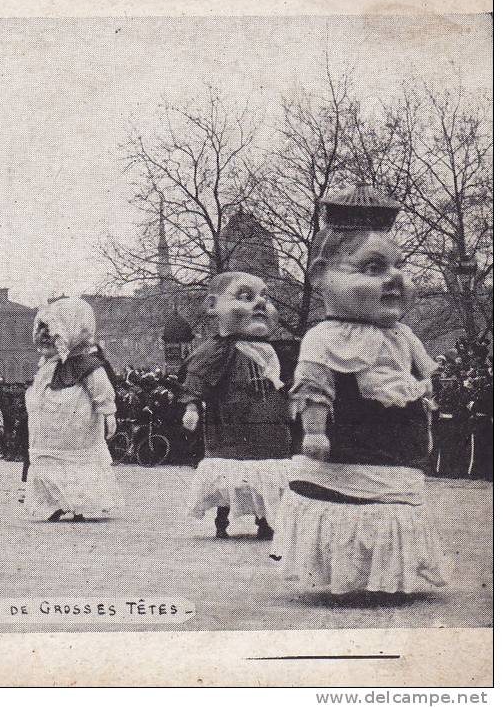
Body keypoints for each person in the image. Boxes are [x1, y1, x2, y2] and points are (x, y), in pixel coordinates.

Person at [274, 184, 449, 595]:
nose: (394, 280)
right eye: (372, 269)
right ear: (321, 277)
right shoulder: (324, 337)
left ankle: (384, 572)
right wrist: (315, 430)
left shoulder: (402, 335)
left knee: (391, 505)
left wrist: (425, 404)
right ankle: (345, 574)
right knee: (350, 508)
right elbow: (314, 386)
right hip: (347, 449)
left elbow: (419, 380)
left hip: (394, 450)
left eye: (397, 268)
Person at [179, 271, 292, 540]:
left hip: (270, 430)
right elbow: (196, 378)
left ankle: (265, 521)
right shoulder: (215, 351)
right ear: (212, 306)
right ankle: (222, 520)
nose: (261, 304)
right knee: (231, 476)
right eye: (245, 297)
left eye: (265, 297)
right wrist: (192, 406)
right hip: (230, 426)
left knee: (267, 475)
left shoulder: (279, 351)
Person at [24, 297, 122, 522]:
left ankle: (79, 504)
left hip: (78, 430)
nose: (45, 337)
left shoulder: (87, 365)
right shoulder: (48, 367)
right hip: (49, 435)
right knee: (50, 464)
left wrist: (109, 413)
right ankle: (56, 502)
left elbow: (102, 390)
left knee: (77, 464)